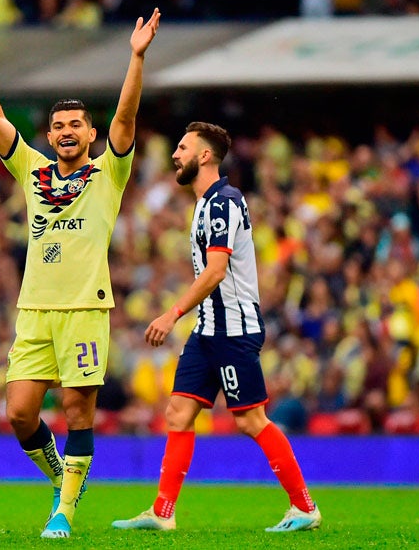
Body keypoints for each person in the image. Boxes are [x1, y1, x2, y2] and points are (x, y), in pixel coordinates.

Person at [0, 8, 161, 539]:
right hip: (35, 309)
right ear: (51, 134)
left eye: (75, 126)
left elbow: (127, 120)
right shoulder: (32, 169)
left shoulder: (110, 172)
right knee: (19, 414)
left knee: (76, 411)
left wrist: (136, 57)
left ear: (90, 134)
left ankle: (62, 510)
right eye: (58, 126)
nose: (65, 132)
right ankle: (64, 476)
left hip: (86, 308)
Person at [111, 122, 322, 533]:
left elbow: (216, 271)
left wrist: (171, 314)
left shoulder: (223, 201)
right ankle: (162, 512)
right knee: (178, 413)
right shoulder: (206, 203)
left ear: (204, 156)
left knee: (250, 420)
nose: (175, 154)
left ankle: (304, 507)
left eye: (183, 147)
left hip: (233, 327)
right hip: (209, 328)